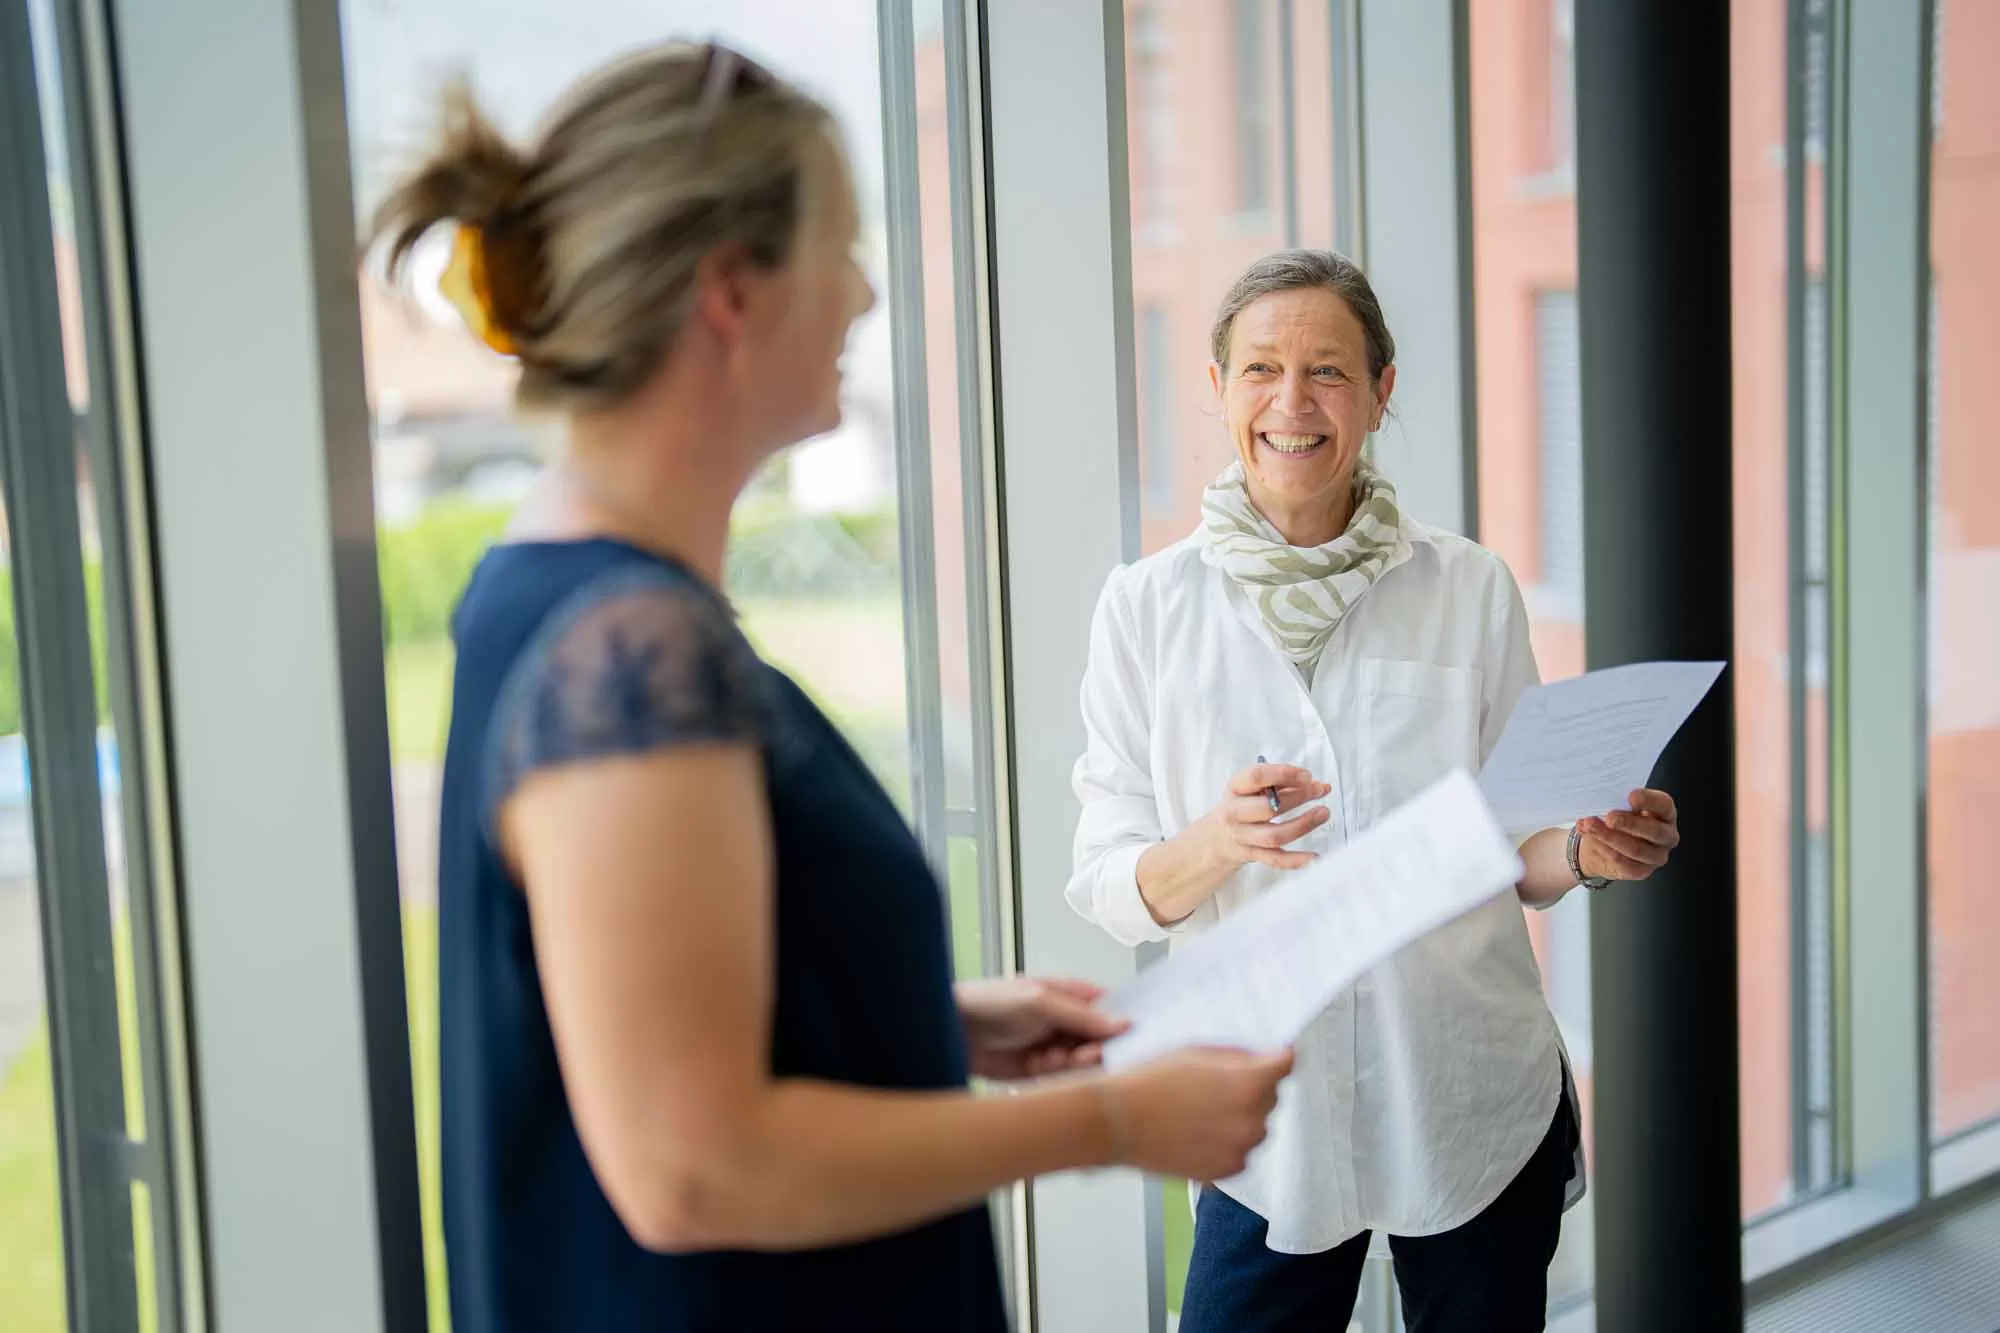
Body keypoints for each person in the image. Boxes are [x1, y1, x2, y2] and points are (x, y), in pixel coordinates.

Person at [375, 41, 1293, 1333]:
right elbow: (693, 1167)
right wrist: (1111, 1120)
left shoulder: (547, 590)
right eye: (843, 246)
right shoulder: (634, 651)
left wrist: (935, 1021)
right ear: (732, 290)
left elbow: (647, 1012)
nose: (864, 293)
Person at [1065, 249, 1683, 1333]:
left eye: (1328, 373)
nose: (1290, 404)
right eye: (1258, 370)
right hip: (1267, 1119)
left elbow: (1518, 840)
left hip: (1466, 1090)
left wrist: (1585, 849)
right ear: (1216, 390)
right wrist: (1217, 840)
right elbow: (1110, 883)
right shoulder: (1144, 608)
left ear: (1381, 392)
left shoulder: (1467, 585)